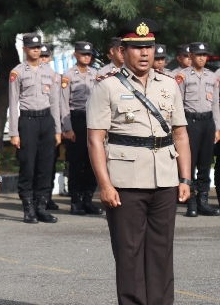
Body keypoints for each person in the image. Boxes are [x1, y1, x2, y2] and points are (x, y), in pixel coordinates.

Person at [87, 18, 191, 305]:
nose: (145, 53)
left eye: (149, 47)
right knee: (129, 254)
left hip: (166, 180)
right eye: (137, 47)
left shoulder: (169, 85)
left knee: (161, 253)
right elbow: (96, 140)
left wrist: (185, 179)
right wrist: (105, 185)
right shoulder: (106, 87)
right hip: (125, 182)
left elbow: (180, 134)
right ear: (123, 51)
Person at [8, 33, 61, 223]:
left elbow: (55, 102)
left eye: (38, 47)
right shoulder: (18, 72)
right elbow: (13, 103)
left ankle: (41, 206)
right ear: (25, 50)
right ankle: (28, 208)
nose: (36, 50)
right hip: (28, 121)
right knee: (28, 166)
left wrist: (57, 130)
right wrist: (14, 132)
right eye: (32, 47)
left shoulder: (50, 72)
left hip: (46, 121)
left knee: (46, 167)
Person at [175, 42, 220, 217]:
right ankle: (191, 202)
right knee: (190, 162)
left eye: (204, 55)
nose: (202, 58)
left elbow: (215, 103)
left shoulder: (211, 76)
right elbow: (177, 102)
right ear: (190, 56)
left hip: (208, 122)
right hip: (190, 122)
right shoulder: (183, 76)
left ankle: (203, 201)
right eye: (198, 54)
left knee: (205, 162)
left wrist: (217, 127)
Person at [60, 42, 101, 215]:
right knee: (76, 163)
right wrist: (67, 128)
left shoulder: (96, 75)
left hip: (94, 120)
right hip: (76, 120)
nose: (87, 57)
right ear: (75, 55)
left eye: (89, 54)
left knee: (93, 161)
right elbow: (63, 104)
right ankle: (75, 201)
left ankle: (88, 200)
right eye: (83, 54)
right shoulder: (68, 76)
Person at [38, 43, 60, 210]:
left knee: (50, 163)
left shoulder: (55, 76)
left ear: (50, 58)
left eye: (46, 56)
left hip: (51, 124)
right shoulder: (28, 73)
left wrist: (58, 130)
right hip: (34, 123)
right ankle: (34, 197)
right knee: (34, 163)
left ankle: (47, 197)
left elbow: (57, 104)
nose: (43, 59)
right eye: (41, 56)